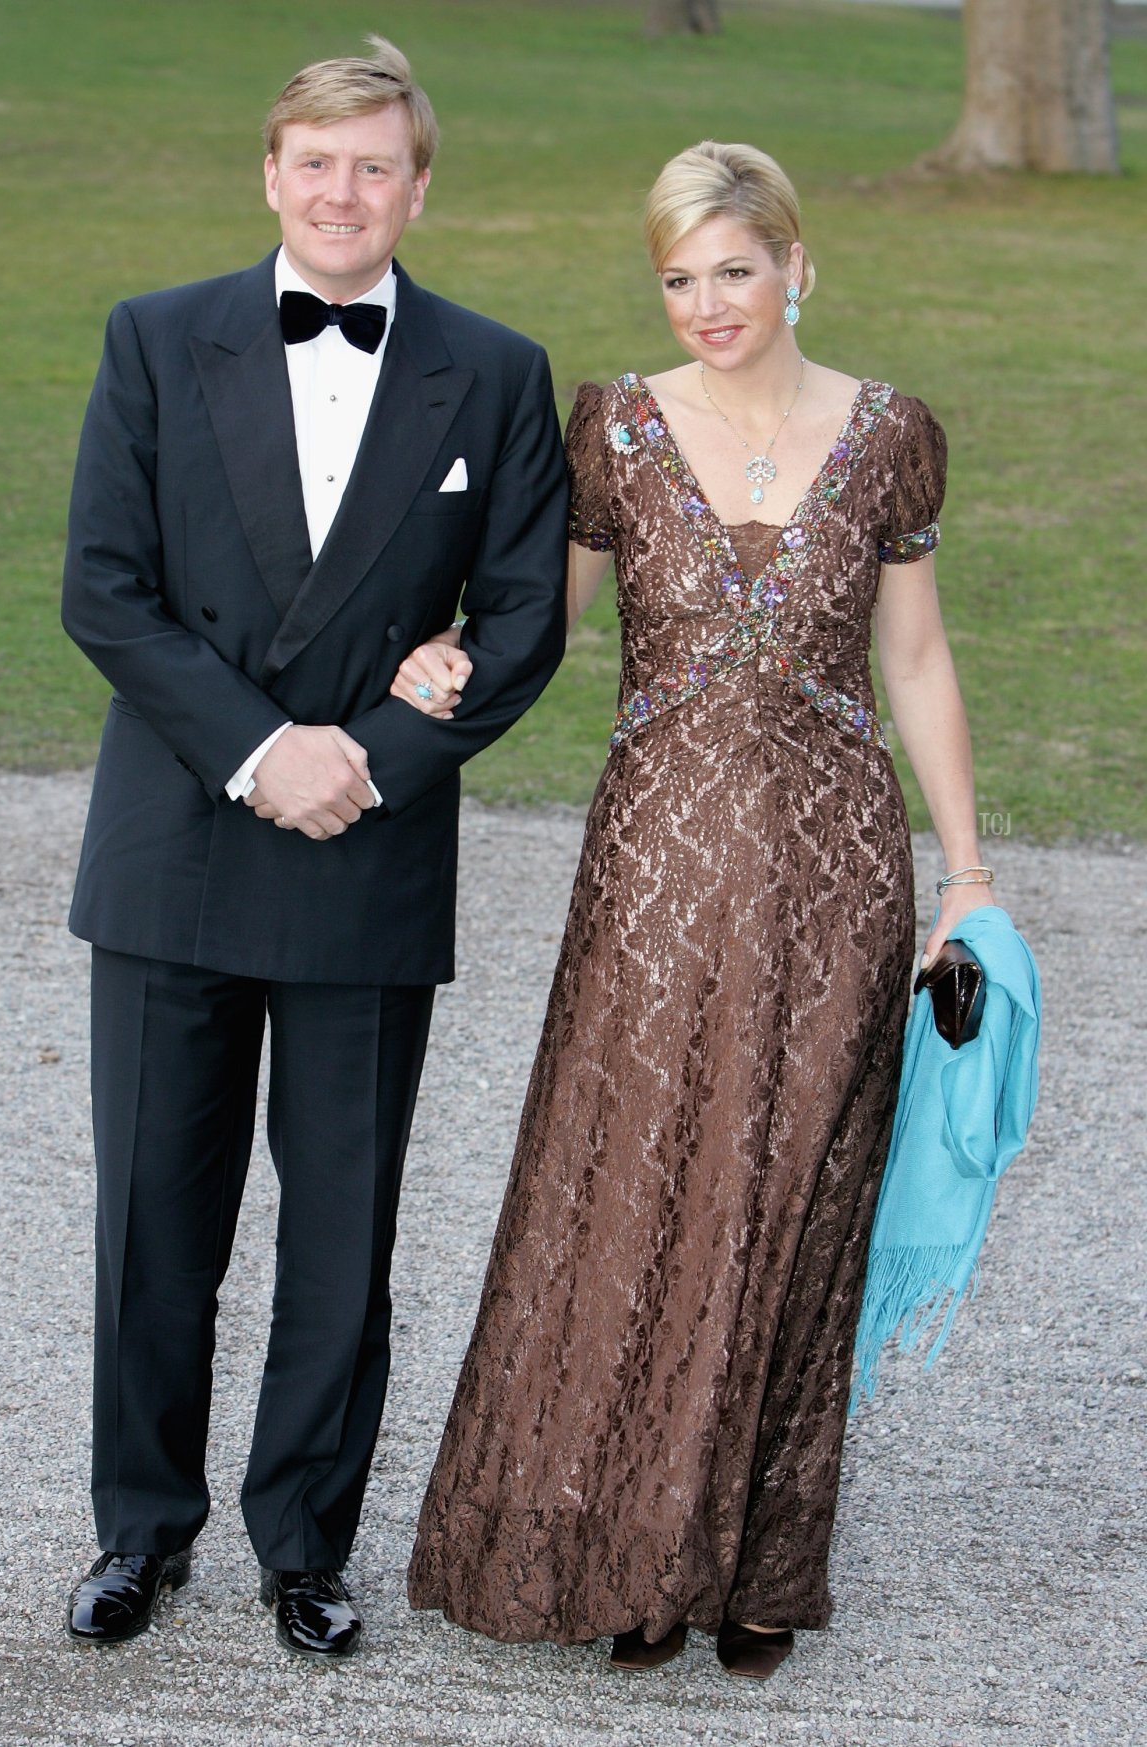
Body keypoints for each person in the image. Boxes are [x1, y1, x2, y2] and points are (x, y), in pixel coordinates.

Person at [398, 141, 995, 1679]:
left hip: (834, 874)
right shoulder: (615, 428)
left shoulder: (889, 437)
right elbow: (540, 617)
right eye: (679, 275)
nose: (709, 301)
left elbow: (916, 659)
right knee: (643, 1199)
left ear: (798, 266)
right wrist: (443, 652)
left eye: (736, 268)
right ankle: (641, 1558)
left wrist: (969, 873)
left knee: (794, 1209)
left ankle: (758, 1568)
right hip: (653, 881)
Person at [60, 38, 567, 1660]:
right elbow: (105, 590)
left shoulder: (496, 371)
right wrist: (262, 751)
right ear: (269, 173)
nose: (343, 193)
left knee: (341, 1234)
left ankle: (306, 1546)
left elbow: (523, 616)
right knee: (155, 1222)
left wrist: (372, 762)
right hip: (180, 844)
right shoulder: (156, 338)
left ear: (418, 189)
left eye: (375, 166)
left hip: (369, 849)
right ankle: (140, 1531)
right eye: (317, 162)